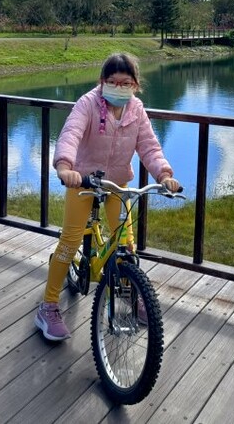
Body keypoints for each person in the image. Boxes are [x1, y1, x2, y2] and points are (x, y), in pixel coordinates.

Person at [35, 52, 181, 341]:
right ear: (102, 82)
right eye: (112, 82)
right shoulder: (87, 104)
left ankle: (130, 292)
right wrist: (65, 166)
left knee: (125, 244)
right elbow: (71, 133)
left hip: (116, 183)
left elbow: (149, 146)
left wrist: (163, 174)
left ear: (135, 85)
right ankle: (48, 305)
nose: (119, 87)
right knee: (70, 241)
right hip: (83, 181)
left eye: (125, 82)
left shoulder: (136, 110)